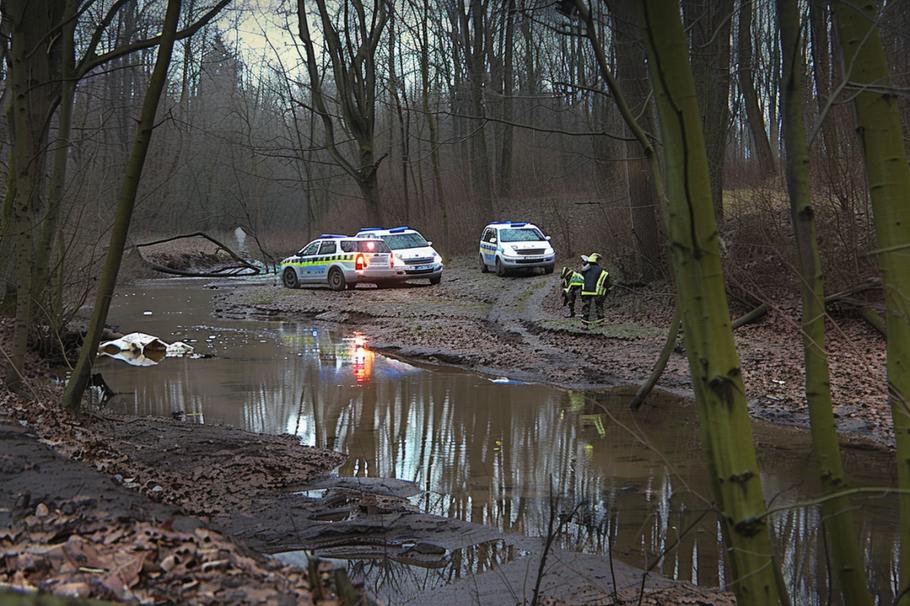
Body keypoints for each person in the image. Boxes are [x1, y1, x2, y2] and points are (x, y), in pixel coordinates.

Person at [580, 252, 609, 323]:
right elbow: (606, 280)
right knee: (599, 305)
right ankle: (600, 319)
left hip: (585, 291)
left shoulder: (585, 270)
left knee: (586, 305)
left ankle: (585, 319)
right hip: (597, 291)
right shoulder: (600, 270)